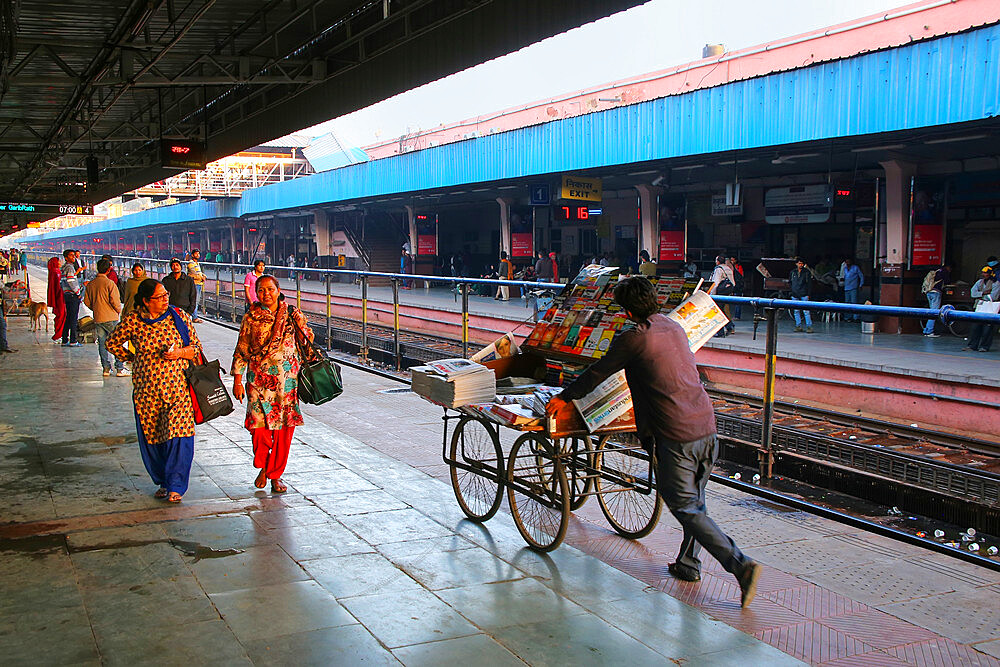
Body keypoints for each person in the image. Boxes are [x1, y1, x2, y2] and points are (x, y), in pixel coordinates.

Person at [546, 277, 761, 606]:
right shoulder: (673, 327)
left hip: (676, 435)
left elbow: (598, 373)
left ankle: (740, 565)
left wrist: (565, 398)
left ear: (627, 309)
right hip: (706, 425)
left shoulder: (633, 338)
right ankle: (689, 564)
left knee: (685, 506)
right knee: (697, 503)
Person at [106, 279, 202, 503]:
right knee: (154, 436)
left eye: (166, 294)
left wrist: (179, 352)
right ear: (147, 301)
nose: (165, 299)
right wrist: (133, 358)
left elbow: (196, 348)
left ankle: (176, 485)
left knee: (179, 435)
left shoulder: (179, 316)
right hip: (146, 391)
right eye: (159, 297)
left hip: (178, 389)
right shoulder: (132, 321)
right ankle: (163, 480)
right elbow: (111, 343)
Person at [231, 275, 315, 493]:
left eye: (270, 289)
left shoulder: (291, 314)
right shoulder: (251, 317)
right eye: (261, 290)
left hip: (286, 384)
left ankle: (274, 474)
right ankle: (264, 465)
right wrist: (238, 380)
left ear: (278, 290)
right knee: (258, 429)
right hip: (258, 382)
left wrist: (301, 330)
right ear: (256, 293)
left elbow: (308, 340)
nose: (266, 294)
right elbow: (242, 347)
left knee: (283, 432)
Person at [84, 259, 127, 377]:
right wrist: (118, 311)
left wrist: (96, 309)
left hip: (98, 317)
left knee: (102, 343)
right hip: (111, 317)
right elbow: (115, 302)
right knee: (117, 342)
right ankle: (119, 368)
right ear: (109, 270)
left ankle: (106, 369)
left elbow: (86, 301)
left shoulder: (91, 284)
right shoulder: (110, 284)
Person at [965, 267, 999, 352]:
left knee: (987, 329)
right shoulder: (979, 282)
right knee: (975, 327)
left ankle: (984, 346)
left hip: (989, 308)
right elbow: (973, 293)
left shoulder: (996, 283)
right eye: (983, 273)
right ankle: (972, 346)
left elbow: (993, 296)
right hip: (979, 306)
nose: (984, 274)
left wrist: (980, 295)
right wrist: (984, 293)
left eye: (986, 273)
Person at [60, 249, 84, 347]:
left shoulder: (64, 267)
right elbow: (71, 281)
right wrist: (78, 292)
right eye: (71, 255)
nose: (74, 257)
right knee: (73, 318)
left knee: (68, 317)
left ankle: (65, 339)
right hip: (72, 295)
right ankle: (73, 340)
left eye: (74, 255)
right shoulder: (70, 267)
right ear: (66, 258)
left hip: (66, 294)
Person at [709, 255, 736, 336]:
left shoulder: (718, 269)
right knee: (722, 311)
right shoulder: (728, 268)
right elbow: (733, 282)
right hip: (726, 292)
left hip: (719, 293)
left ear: (718, 261)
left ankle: (720, 332)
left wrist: (712, 294)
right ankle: (729, 326)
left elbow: (716, 283)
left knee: (717, 312)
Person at [921, 263, 949, 337]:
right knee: (934, 312)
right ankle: (929, 331)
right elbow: (947, 282)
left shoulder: (935, 271)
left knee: (931, 311)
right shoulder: (944, 272)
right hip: (936, 292)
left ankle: (926, 330)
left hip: (928, 292)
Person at [788, 257, 814, 333]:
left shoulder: (807, 272)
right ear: (796, 264)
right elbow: (790, 282)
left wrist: (808, 294)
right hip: (795, 294)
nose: (801, 265)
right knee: (796, 311)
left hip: (804, 293)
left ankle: (809, 327)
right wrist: (791, 291)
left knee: (806, 311)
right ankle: (798, 326)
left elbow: (809, 284)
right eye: (799, 263)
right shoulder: (793, 272)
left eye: (802, 263)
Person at [46, 256, 67, 345]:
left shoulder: (54, 271)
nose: (61, 262)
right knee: (61, 315)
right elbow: (58, 286)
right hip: (60, 297)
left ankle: (60, 334)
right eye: (59, 261)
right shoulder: (56, 272)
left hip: (58, 297)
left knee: (60, 315)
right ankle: (57, 335)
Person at [187, 249, 205, 323]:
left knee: (196, 300)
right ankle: (194, 317)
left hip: (199, 283)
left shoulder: (196, 263)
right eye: (196, 254)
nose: (198, 255)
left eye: (198, 254)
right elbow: (193, 274)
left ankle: (194, 316)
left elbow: (198, 273)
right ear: (192, 255)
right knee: (195, 300)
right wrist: (201, 277)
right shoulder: (191, 264)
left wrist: (203, 275)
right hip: (195, 284)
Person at [728, 256, 745, 320]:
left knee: (738, 301)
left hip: (738, 286)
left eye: (733, 260)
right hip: (735, 285)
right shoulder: (732, 267)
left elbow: (741, 276)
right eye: (731, 260)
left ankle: (737, 316)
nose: (732, 262)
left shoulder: (738, 267)